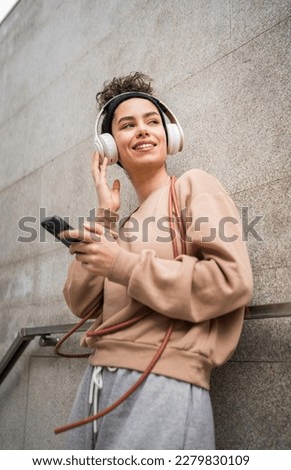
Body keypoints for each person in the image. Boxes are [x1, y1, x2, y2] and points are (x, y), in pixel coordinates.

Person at [58, 72, 253, 450]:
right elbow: (80, 303)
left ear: (170, 135)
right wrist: (105, 217)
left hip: (162, 384)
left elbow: (232, 279)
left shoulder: (193, 186)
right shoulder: (123, 223)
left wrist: (122, 264)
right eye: (128, 125)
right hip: (96, 386)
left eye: (152, 122)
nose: (144, 131)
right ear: (110, 148)